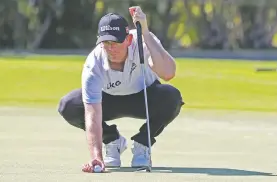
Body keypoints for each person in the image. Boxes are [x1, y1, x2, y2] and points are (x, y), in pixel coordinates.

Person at [57, 6, 184, 173]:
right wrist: (96, 156)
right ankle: (112, 140)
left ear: (128, 40)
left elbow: (168, 73)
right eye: (106, 43)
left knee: (172, 97)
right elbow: (92, 113)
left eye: (116, 42)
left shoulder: (142, 41)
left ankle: (142, 144)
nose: (111, 48)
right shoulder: (93, 63)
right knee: (69, 105)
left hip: (144, 96)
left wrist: (145, 32)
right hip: (108, 100)